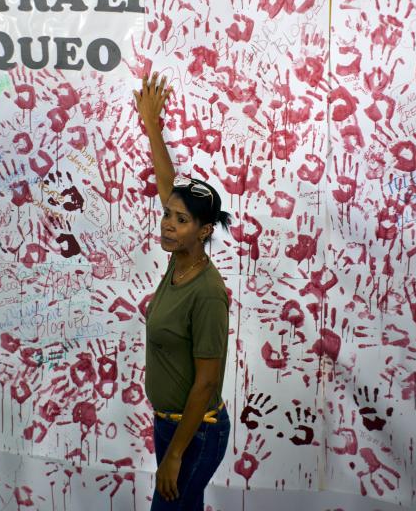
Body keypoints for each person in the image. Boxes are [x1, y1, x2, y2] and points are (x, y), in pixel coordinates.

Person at [135, 71, 233, 510]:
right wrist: (152, 126)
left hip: (196, 431)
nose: (168, 225)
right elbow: (165, 182)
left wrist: (175, 455)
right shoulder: (179, 259)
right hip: (169, 424)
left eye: (180, 221)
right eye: (168, 215)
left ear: (204, 231)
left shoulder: (208, 292)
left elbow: (207, 381)